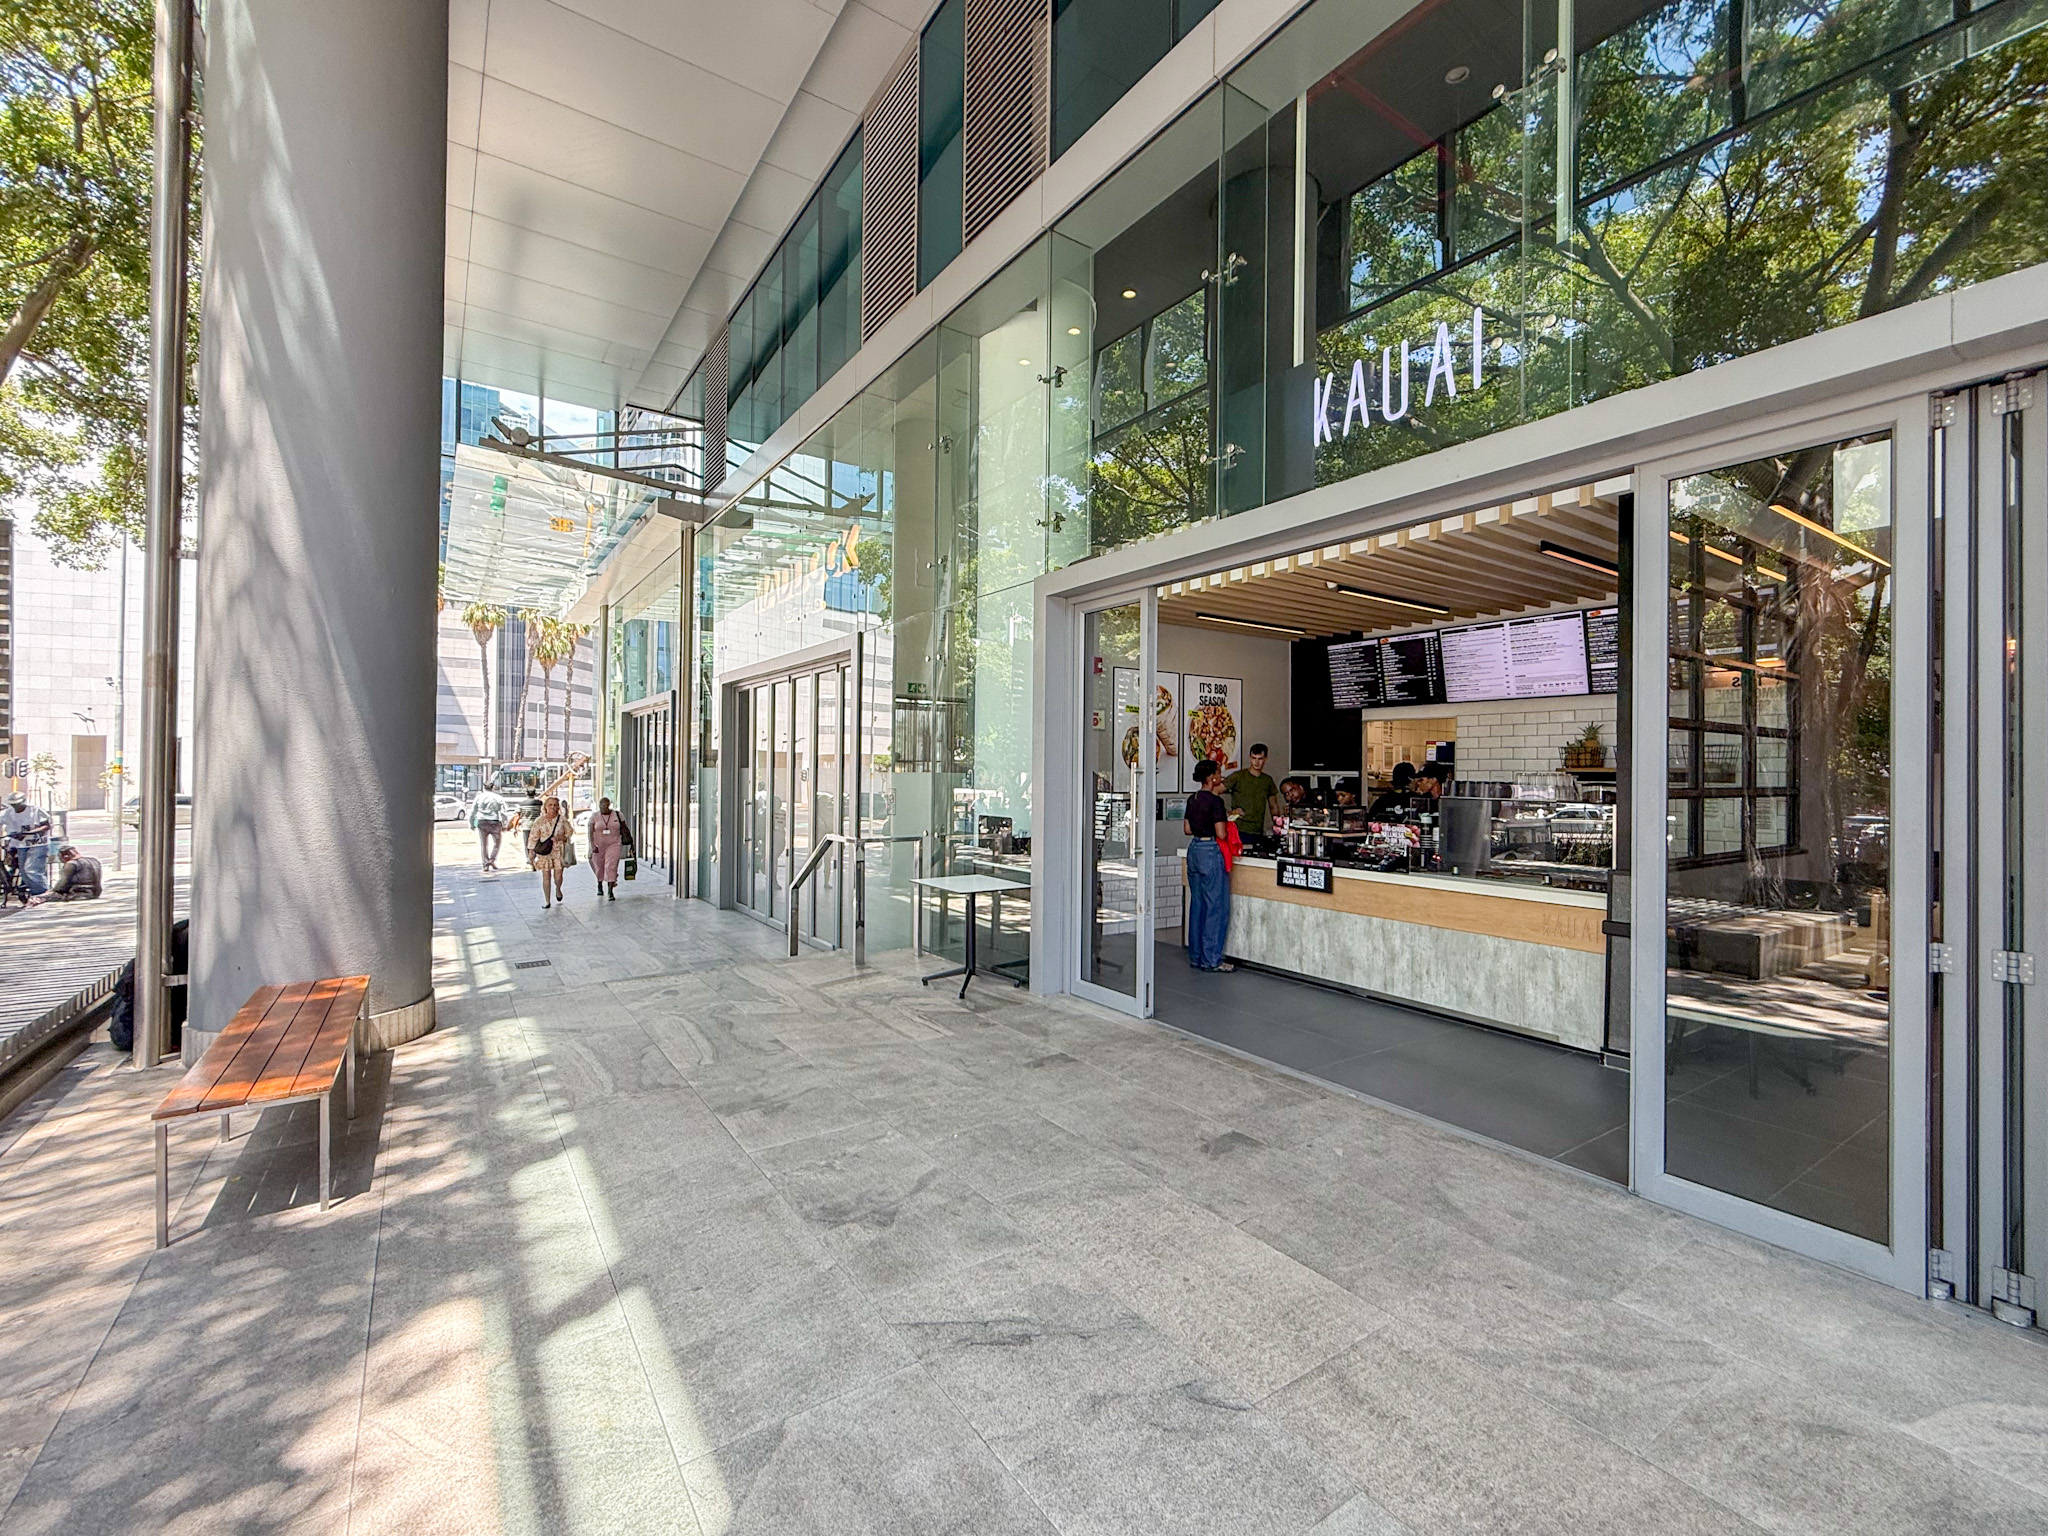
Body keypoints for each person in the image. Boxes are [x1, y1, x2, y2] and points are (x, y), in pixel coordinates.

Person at [1183, 759, 1235, 973]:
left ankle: (1196, 956)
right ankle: (1212, 959)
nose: (1220, 777)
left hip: (1194, 849)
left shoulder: (1192, 798)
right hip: (1210, 851)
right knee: (1216, 906)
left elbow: (1187, 829)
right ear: (1211, 777)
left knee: (1197, 905)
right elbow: (1221, 833)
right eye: (1218, 773)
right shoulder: (1215, 802)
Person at [2, 792, 53, 897]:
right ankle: (35, 891)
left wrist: (29, 833)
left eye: (17, 804)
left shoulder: (35, 810)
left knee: (32, 870)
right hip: (21, 845)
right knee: (23, 872)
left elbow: (46, 826)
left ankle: (42, 893)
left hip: (38, 844)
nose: (15, 806)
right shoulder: (7, 813)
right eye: (13, 804)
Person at [527, 794, 573, 909]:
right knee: (546, 876)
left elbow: (570, 832)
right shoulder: (539, 820)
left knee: (558, 876)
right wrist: (531, 852)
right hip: (545, 852)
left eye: (555, 805)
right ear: (546, 806)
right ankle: (547, 901)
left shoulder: (562, 820)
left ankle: (558, 888)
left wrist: (562, 837)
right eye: (550, 805)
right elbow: (533, 836)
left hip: (558, 851)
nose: (553, 807)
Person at [1222, 744, 1279, 835]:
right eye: (1254, 758)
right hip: (1238, 828)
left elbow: (1273, 807)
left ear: (1265, 758)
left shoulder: (1267, 780)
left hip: (1257, 830)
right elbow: (1214, 792)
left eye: (1260, 759)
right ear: (1250, 757)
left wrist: (1278, 826)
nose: (1256, 762)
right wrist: (1228, 813)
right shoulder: (1238, 776)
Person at [586, 796, 633, 901]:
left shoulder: (618, 814)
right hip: (598, 845)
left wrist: (631, 841)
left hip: (614, 843)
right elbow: (590, 831)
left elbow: (624, 828)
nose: (603, 807)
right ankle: (599, 884)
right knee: (599, 866)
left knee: (611, 866)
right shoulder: (594, 816)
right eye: (601, 805)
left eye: (606, 805)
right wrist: (592, 845)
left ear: (609, 805)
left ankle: (610, 891)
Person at [470, 784, 509, 871]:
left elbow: (473, 811)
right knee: (497, 842)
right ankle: (492, 859)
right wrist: (504, 823)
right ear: (493, 787)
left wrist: (472, 823)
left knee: (483, 844)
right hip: (494, 821)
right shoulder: (498, 797)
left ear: (484, 787)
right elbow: (503, 812)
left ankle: (485, 864)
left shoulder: (479, 797)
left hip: (482, 821)